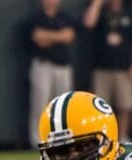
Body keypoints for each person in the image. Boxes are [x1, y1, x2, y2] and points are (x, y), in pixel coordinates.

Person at [83, 0, 132, 142]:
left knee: (125, 105)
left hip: (123, 68)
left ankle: (123, 136)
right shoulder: (101, 14)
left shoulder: (130, 15)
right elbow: (88, 23)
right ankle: (102, 137)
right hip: (102, 68)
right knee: (100, 106)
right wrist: (97, 3)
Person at [26, 0, 76, 147]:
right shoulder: (36, 17)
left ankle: (63, 139)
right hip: (43, 64)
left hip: (63, 66)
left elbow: (69, 36)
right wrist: (59, 36)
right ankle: (38, 140)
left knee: (63, 105)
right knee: (40, 104)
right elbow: (38, 39)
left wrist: (48, 36)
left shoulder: (65, 16)